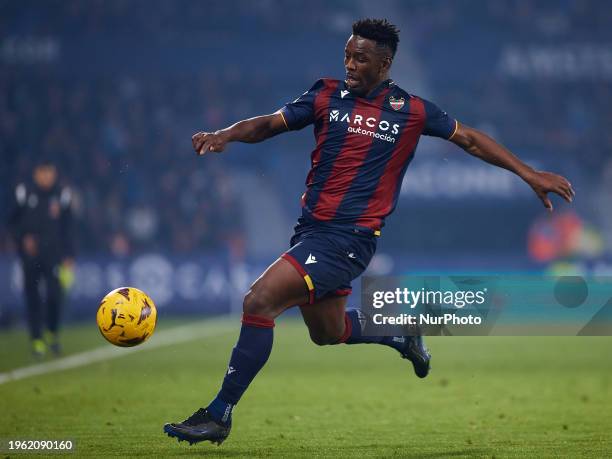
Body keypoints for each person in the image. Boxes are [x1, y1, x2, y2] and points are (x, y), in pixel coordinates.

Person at [164, 18, 575, 445]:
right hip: (311, 232)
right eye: (347, 55)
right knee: (327, 332)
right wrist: (224, 135)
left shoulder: (411, 110)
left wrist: (529, 174)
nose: (350, 65)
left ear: (385, 63)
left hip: (349, 240)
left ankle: (218, 414)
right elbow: (270, 124)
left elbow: (469, 139)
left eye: (360, 58)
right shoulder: (325, 94)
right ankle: (400, 332)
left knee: (259, 300)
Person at [8, 158, 74, 358]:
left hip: (54, 256)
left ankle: (52, 333)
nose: (46, 176)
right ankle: (36, 339)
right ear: (36, 173)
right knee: (33, 297)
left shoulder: (62, 195)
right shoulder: (24, 192)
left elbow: (69, 227)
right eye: (43, 172)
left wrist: (70, 254)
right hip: (30, 256)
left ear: (54, 173)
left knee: (55, 295)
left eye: (50, 172)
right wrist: (23, 239)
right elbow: (12, 222)